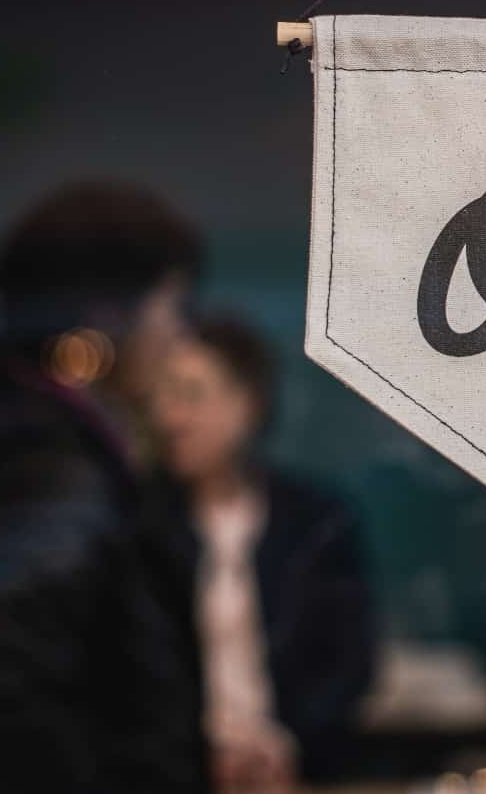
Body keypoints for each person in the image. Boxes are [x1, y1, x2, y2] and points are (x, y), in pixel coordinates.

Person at [0, 179, 206, 794]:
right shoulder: (44, 472)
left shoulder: (0, 431)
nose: (179, 340)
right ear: (110, 312)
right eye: (172, 308)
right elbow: (16, 710)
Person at [144, 314, 377, 793]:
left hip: (295, 773)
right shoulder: (139, 525)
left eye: (190, 395)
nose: (169, 417)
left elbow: (349, 662)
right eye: (161, 397)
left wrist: (285, 744)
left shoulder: (317, 522)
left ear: (245, 404)